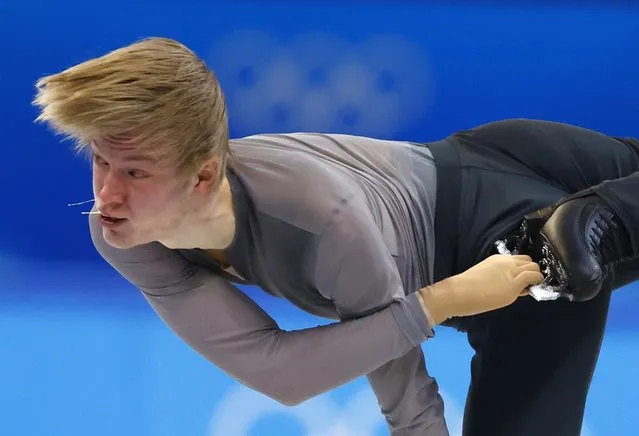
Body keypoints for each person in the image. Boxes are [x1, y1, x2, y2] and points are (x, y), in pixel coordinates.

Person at [33, 37, 638, 436]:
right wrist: (443, 301)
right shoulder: (123, 234)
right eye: (99, 160)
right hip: (480, 174)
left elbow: (406, 396)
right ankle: (606, 215)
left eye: (135, 173)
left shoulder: (320, 218)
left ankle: (599, 221)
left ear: (204, 175)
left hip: (511, 247)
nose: (106, 194)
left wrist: (445, 300)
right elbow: (279, 371)